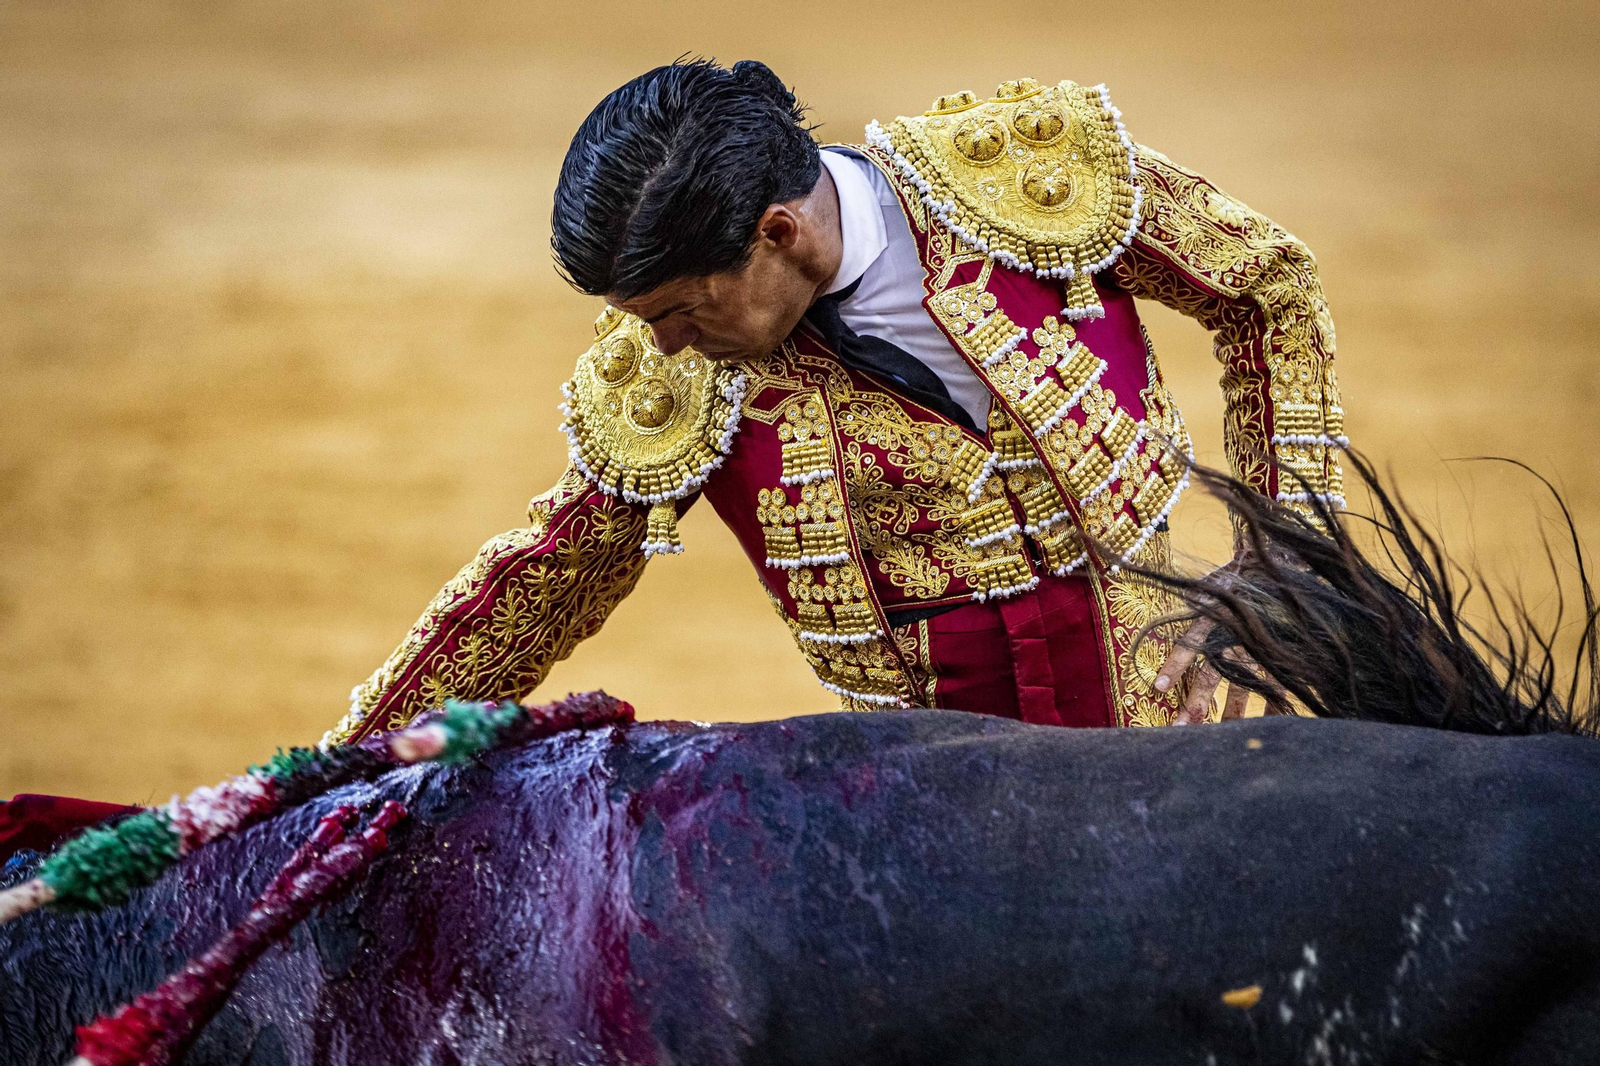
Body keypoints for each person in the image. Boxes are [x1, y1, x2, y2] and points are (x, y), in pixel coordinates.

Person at [323, 59, 1346, 746]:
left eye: (679, 309)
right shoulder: (676, 375)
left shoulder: (1030, 182)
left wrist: (1282, 557)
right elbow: (548, 578)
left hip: (1165, 734)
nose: (663, 346)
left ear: (779, 233)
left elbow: (1267, 290)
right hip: (918, 789)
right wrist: (337, 771)